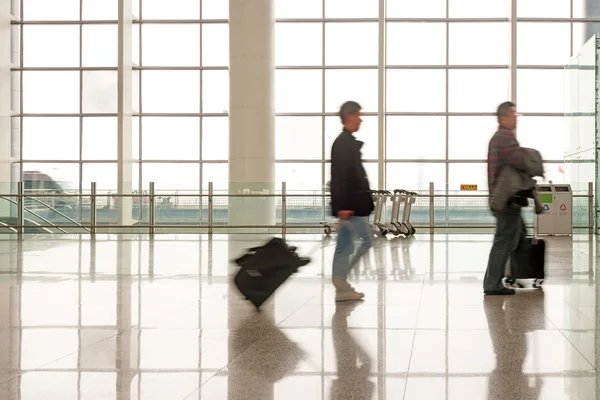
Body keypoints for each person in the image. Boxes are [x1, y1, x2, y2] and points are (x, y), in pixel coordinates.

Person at [329, 101, 374, 302]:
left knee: (346, 246)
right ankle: (340, 281)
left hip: (352, 206)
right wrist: (343, 206)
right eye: (358, 115)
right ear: (349, 116)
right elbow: (339, 177)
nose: (361, 119)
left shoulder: (346, 142)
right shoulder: (342, 144)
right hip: (350, 207)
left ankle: (342, 286)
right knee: (363, 242)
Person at [484, 101, 528, 296]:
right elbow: (519, 160)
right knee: (504, 240)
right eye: (512, 113)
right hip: (507, 198)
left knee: (517, 236)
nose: (515, 117)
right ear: (502, 118)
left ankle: (514, 275)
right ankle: (493, 283)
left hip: (504, 198)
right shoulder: (504, 137)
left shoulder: (498, 138)